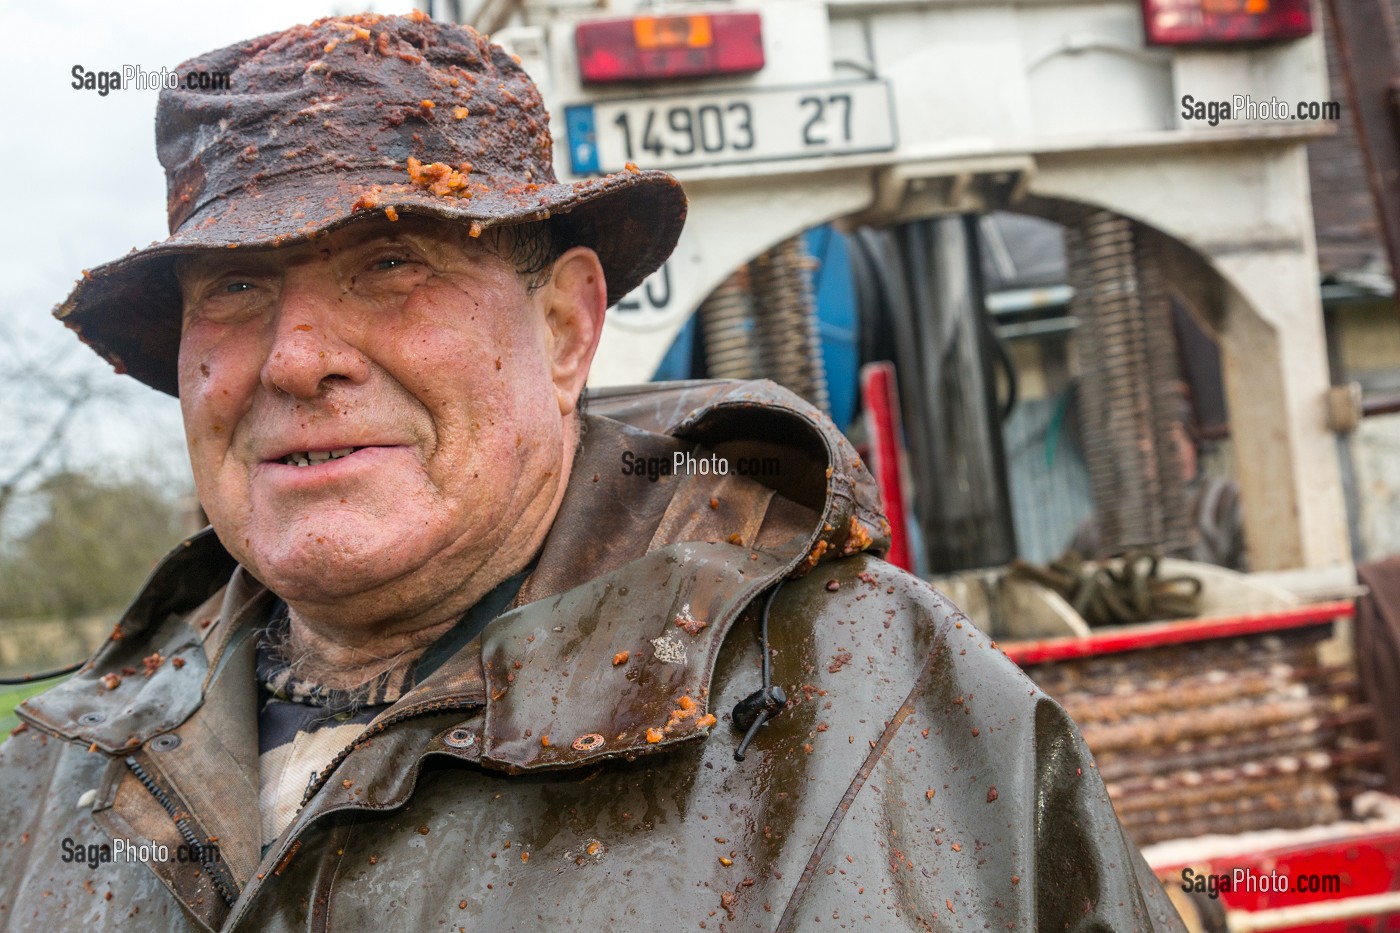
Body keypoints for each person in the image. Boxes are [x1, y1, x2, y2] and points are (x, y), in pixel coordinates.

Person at [0, 13, 1185, 931]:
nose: (298, 360)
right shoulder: (66, 769)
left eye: (392, 262)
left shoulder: (854, 702)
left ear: (565, 329)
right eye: (239, 288)